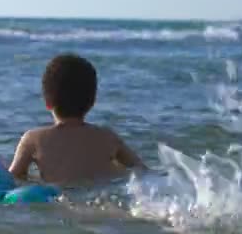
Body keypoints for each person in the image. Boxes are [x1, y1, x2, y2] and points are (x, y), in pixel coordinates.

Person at [9, 53, 145, 184]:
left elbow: (11, 180)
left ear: (47, 103)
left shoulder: (33, 139)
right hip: (100, 199)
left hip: (60, 201)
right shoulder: (108, 137)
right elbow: (143, 171)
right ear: (92, 102)